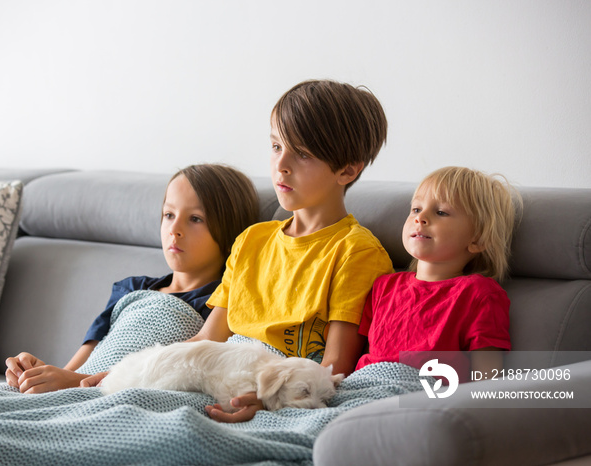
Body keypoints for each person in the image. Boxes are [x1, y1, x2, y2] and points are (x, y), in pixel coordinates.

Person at [174, 79, 393, 422]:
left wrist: (268, 400)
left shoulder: (355, 251)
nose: (281, 165)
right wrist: (122, 373)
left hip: (279, 395)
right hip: (215, 379)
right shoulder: (251, 241)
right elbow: (207, 339)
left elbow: (334, 365)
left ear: (347, 169)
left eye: (302, 153)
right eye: (276, 146)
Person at [5, 164, 260, 393]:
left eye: (195, 219)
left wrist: (73, 381)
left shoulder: (222, 302)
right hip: (80, 386)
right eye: (169, 215)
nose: (175, 230)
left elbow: (184, 365)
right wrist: (36, 373)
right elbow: (75, 368)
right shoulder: (130, 289)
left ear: (230, 229)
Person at [355, 166, 519, 382]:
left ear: (478, 239)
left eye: (441, 212)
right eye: (415, 209)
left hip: (421, 396)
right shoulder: (383, 286)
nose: (420, 218)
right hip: (363, 386)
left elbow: (486, 379)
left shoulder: (478, 294)